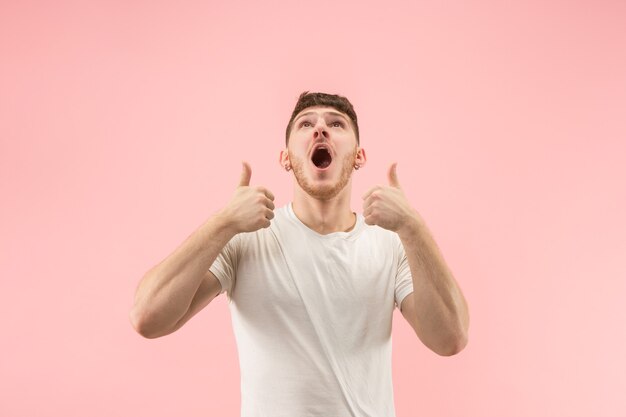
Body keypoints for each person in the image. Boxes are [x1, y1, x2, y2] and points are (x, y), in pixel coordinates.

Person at [130, 91, 470, 416]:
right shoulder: (246, 238)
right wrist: (222, 223)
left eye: (336, 124)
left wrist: (413, 227)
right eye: (306, 124)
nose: (320, 128)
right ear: (285, 159)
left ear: (359, 156)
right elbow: (148, 318)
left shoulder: (390, 244)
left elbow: (450, 339)